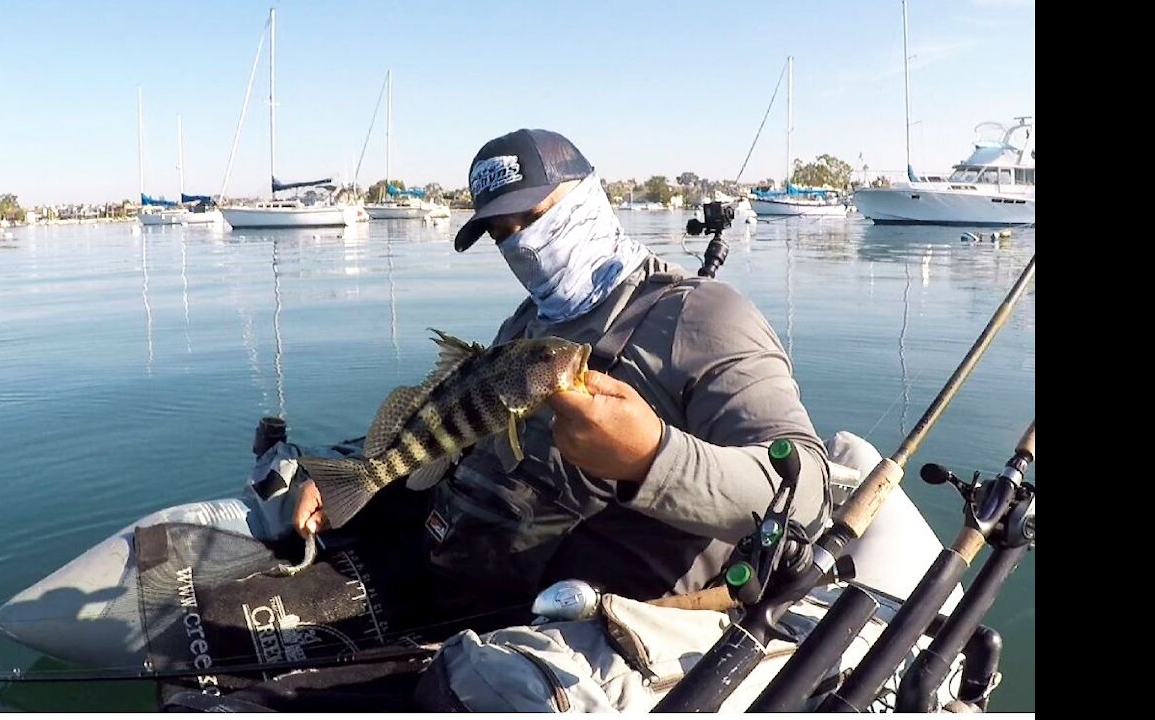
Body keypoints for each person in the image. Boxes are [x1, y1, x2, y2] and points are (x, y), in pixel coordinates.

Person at [293, 128, 831, 618]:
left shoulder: (706, 316)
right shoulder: (528, 323)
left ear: (589, 197)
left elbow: (808, 496)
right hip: (471, 585)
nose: (521, 242)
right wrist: (348, 472)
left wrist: (651, 458)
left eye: (534, 216)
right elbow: (452, 424)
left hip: (584, 631)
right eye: (502, 232)